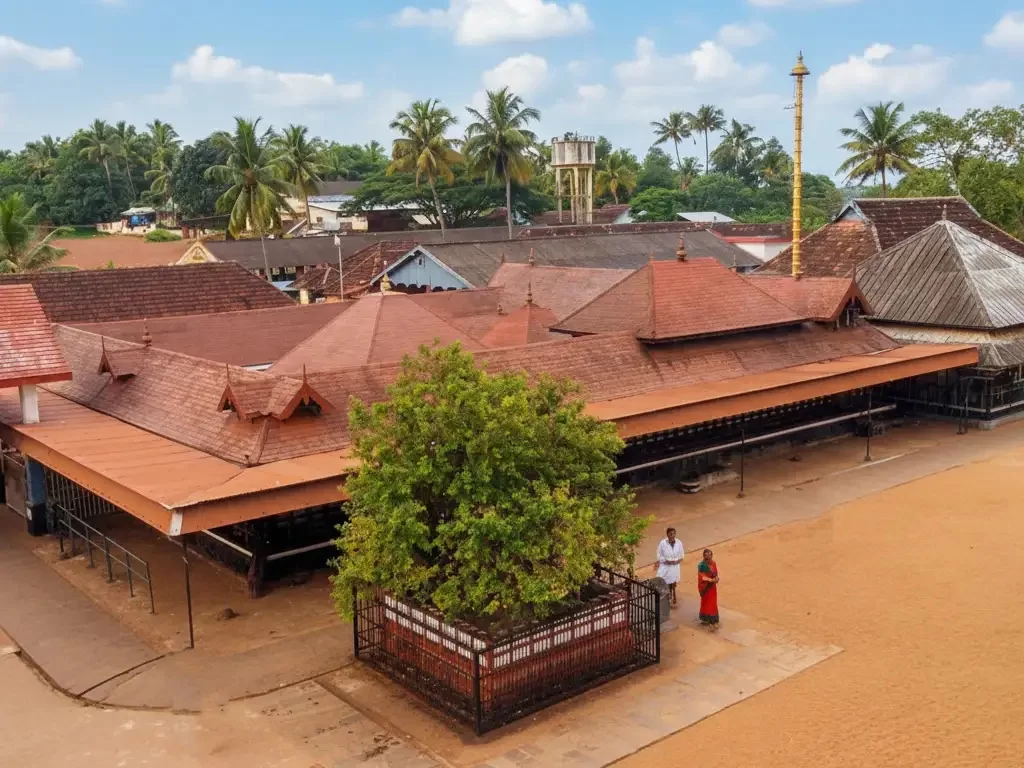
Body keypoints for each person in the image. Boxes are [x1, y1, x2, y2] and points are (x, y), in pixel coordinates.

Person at [656, 527, 684, 606]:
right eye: (670, 534)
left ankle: (673, 595)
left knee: (673, 582)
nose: (672, 535)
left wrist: (677, 561)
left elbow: (682, 555)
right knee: (666, 582)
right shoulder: (662, 543)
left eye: (673, 533)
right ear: (667, 534)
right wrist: (665, 561)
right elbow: (658, 555)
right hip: (666, 566)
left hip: (675, 567)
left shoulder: (679, 543)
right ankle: (667, 596)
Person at [697, 548, 720, 630]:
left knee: (713, 602)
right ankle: (710, 621)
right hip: (705, 587)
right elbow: (702, 577)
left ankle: (713, 620)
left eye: (710, 555)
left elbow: (716, 573)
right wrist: (711, 580)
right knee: (707, 602)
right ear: (704, 556)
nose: (708, 557)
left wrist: (716, 578)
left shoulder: (713, 563)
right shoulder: (701, 565)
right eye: (706, 555)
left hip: (712, 587)